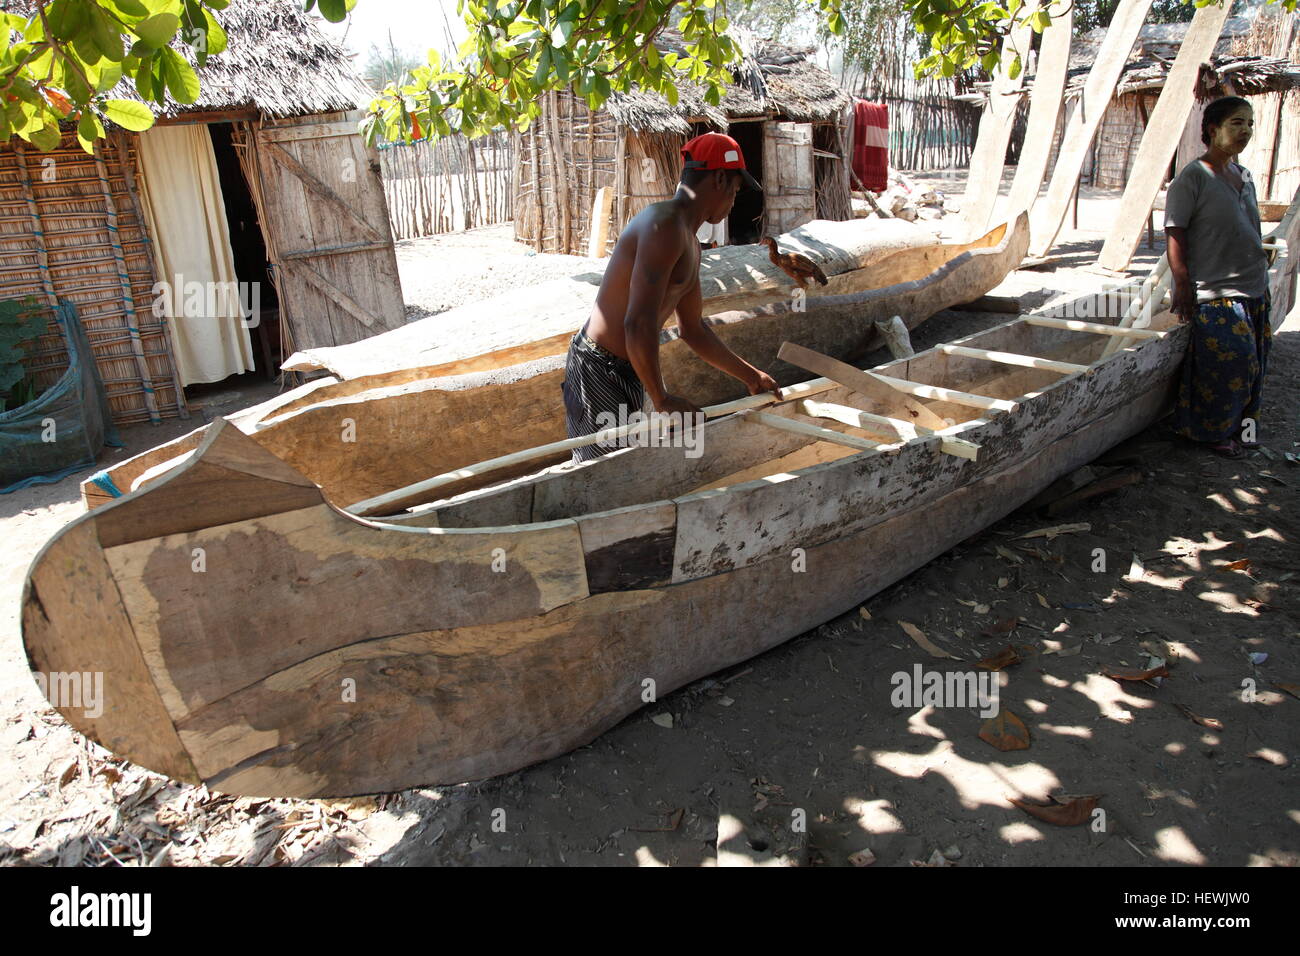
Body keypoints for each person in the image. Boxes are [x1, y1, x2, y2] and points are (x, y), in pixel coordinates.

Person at [561, 132, 783, 463]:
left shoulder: (689, 242)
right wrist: (662, 399)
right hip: (599, 365)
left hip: (630, 365)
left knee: (628, 466)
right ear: (720, 178)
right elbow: (637, 323)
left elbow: (693, 329)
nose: (734, 201)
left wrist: (752, 377)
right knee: (601, 475)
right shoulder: (662, 226)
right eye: (735, 191)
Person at [1164, 95, 1272, 459]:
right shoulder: (1193, 178)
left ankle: (1242, 430)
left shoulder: (1244, 176)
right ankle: (1208, 433)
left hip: (1254, 285)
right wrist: (1182, 283)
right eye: (1236, 123)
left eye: (1250, 123)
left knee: (1256, 364)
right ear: (1213, 130)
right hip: (1216, 290)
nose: (1246, 131)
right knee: (1232, 363)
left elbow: (1251, 228)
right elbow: (1175, 232)